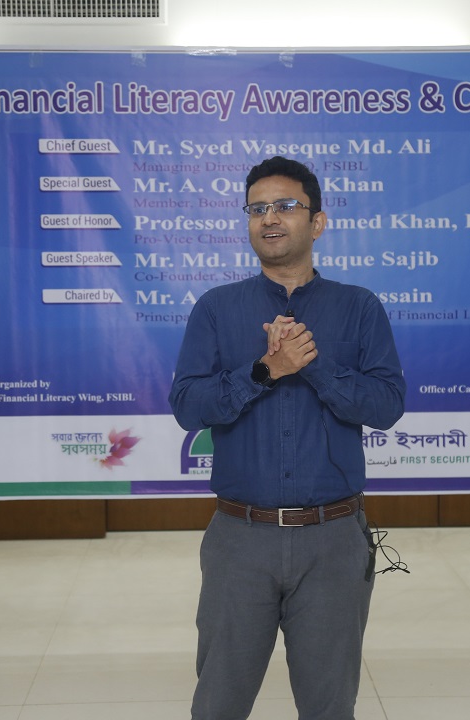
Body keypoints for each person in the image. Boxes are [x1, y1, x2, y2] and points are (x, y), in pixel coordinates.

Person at [169, 156, 406, 720]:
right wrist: (265, 370)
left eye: (285, 206)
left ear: (317, 222)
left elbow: (385, 406)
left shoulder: (358, 307)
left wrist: (312, 364)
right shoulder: (216, 309)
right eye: (257, 209)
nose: (269, 218)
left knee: (329, 706)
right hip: (240, 540)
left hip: (333, 540)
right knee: (219, 704)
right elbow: (188, 406)